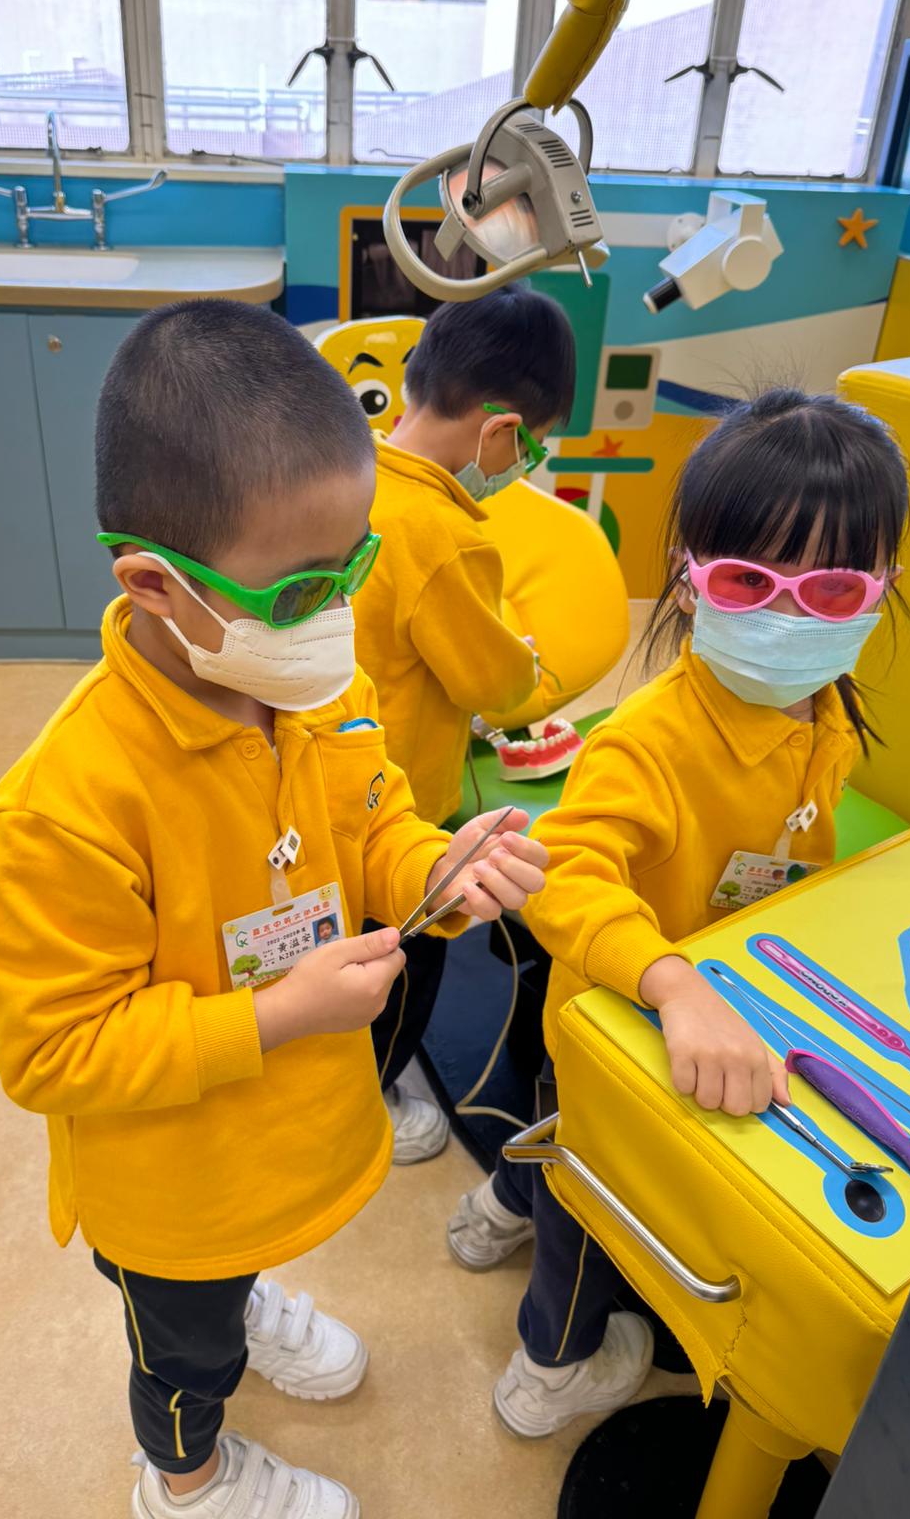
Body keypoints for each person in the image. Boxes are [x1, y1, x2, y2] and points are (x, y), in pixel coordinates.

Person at [0, 300, 549, 1519]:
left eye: (354, 572)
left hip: (267, 1145)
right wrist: (278, 1014)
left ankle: (241, 1294)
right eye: (298, 596)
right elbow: (54, 1050)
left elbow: (372, 822)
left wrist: (435, 867)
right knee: (183, 1355)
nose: (334, 621)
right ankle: (186, 1481)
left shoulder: (317, 688)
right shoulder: (57, 811)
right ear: (154, 583)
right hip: (170, 1190)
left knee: (224, 1289)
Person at [448, 388, 910, 1436]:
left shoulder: (826, 707)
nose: (792, 618)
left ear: (879, 592)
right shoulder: (647, 739)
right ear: (690, 577)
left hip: (714, 1002)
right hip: (627, 1019)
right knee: (590, 1208)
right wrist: (674, 984)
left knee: (556, 1149)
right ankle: (548, 1371)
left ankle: (496, 1206)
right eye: (753, 580)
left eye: (833, 589)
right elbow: (565, 873)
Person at [352, 285, 577, 1163]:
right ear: (501, 430)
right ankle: (372, 1099)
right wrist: (525, 656)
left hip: (324, 786)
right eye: (533, 446)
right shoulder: (445, 532)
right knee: (406, 966)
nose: (525, 464)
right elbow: (494, 682)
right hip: (401, 811)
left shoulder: (347, 477)